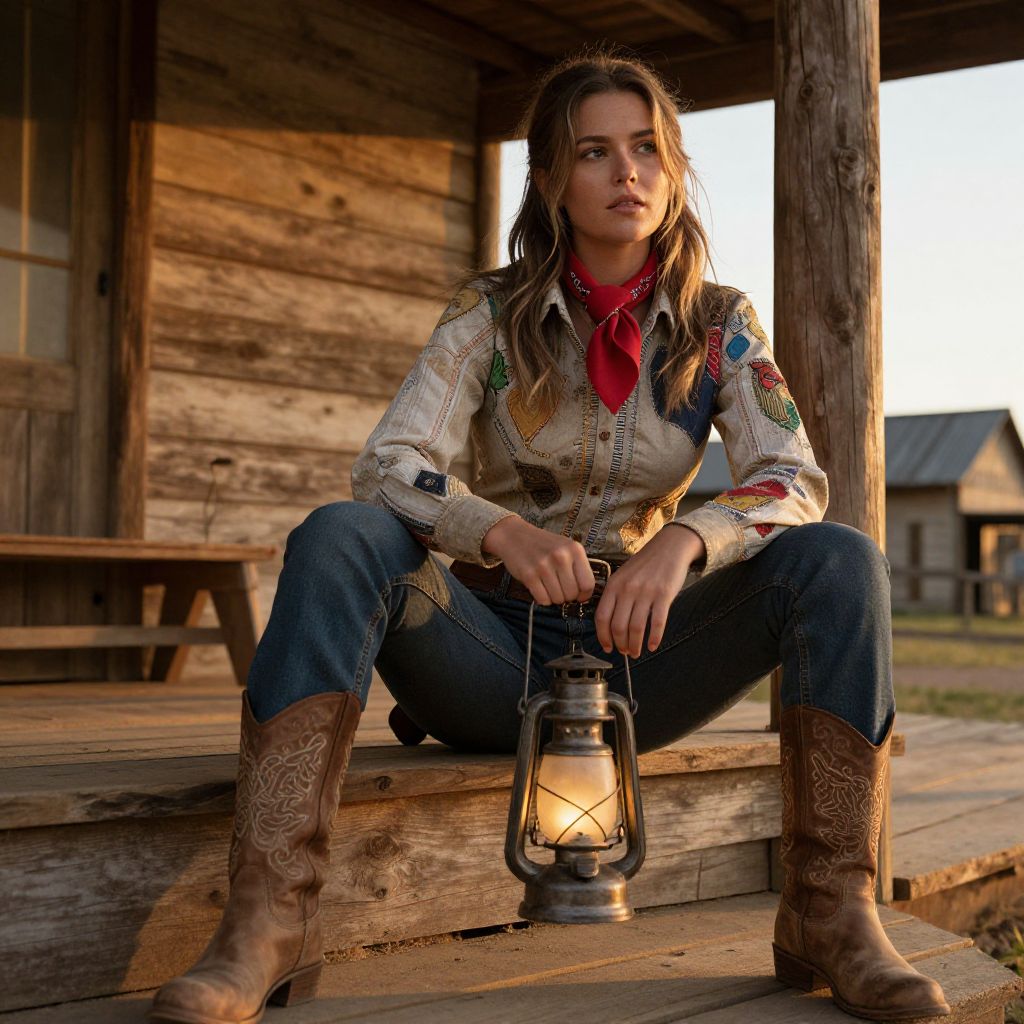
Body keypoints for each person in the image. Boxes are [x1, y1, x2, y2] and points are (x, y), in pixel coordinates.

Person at [148, 50, 949, 1024]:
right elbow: (387, 462)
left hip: (642, 656)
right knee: (342, 533)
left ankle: (833, 912)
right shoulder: (484, 314)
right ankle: (266, 920)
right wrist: (495, 531)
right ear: (548, 181)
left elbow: (794, 478)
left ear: (674, 168)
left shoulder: (719, 324)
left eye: (648, 149)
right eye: (595, 152)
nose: (627, 173)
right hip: (488, 651)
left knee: (840, 559)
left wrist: (683, 541)